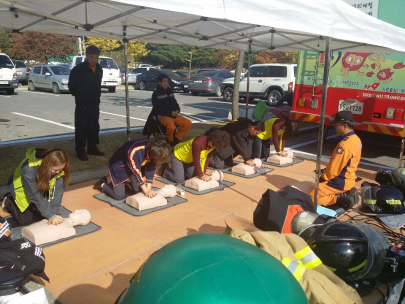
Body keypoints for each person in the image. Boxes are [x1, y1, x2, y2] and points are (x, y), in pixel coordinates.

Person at [308, 111, 362, 207]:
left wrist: (323, 177)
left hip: (339, 182)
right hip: (349, 178)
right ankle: (343, 194)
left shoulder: (344, 145)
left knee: (311, 198)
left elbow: (334, 170)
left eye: (337, 125)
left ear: (345, 126)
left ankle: (341, 197)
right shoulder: (356, 139)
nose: (335, 127)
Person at [4, 148, 70, 226]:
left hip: (39, 185)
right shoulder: (29, 168)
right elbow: (33, 193)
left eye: (61, 169)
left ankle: (34, 207)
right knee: (25, 220)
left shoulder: (59, 170)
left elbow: (57, 193)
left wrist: (54, 213)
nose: (58, 172)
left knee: (42, 216)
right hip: (22, 188)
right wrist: (50, 215)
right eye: (55, 170)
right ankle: (8, 199)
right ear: (46, 164)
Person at [93, 139, 170, 200]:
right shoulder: (134, 151)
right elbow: (136, 172)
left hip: (135, 166)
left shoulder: (155, 151)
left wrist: (148, 188)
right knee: (119, 196)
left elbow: (151, 170)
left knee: (138, 191)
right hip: (120, 166)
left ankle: (116, 185)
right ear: (152, 153)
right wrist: (146, 191)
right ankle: (102, 184)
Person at [68, 45, 104, 161]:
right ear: (86, 56)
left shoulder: (99, 69)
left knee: (94, 126)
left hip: (95, 103)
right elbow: (72, 86)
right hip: (82, 104)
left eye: (95, 57)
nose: (93, 59)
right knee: (81, 127)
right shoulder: (78, 69)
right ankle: (80, 149)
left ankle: (92, 147)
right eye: (91, 57)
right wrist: (80, 96)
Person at [161, 130, 230, 183]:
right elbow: (196, 160)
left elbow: (206, 159)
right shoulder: (198, 143)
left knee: (194, 177)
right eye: (215, 145)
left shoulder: (213, 145)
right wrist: (201, 175)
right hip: (178, 155)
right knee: (179, 180)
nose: (215, 147)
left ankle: (180, 168)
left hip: (189, 159)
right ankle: (165, 169)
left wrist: (203, 173)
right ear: (212, 140)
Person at [152, 74, 192, 147]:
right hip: (163, 116)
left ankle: (176, 138)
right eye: (164, 81)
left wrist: (177, 110)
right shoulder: (156, 94)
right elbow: (158, 109)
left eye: (167, 81)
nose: (166, 83)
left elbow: (175, 102)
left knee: (188, 123)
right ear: (159, 82)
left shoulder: (169, 91)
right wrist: (170, 113)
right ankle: (170, 140)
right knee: (171, 127)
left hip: (174, 115)